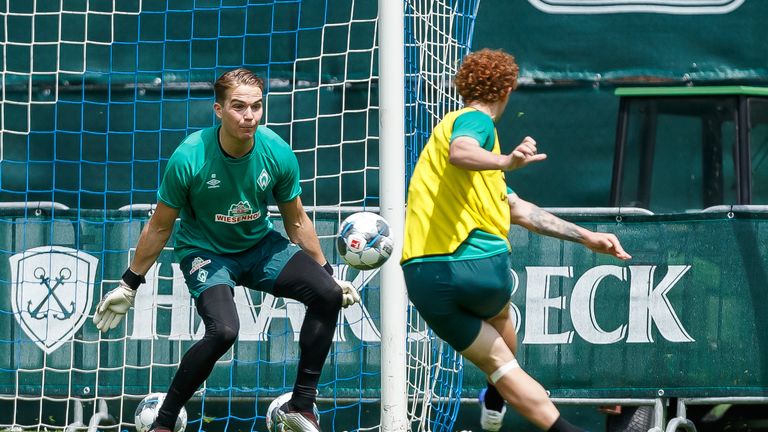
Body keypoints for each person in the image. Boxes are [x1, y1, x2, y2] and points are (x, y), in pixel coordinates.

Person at [92, 68, 360, 432]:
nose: (249, 116)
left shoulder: (277, 152)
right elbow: (159, 226)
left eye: (256, 107)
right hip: (206, 251)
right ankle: (164, 422)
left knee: (327, 295)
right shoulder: (189, 156)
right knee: (224, 331)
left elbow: (296, 221)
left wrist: (328, 274)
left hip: (259, 246)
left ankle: (300, 406)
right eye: (238, 107)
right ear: (218, 110)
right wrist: (129, 284)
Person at [401, 49, 632, 432]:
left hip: (425, 277)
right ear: (508, 88)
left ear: (463, 86)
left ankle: (501, 396)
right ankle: (496, 394)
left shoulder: (463, 153)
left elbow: (520, 211)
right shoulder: (473, 122)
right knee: (502, 326)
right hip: (479, 264)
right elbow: (463, 151)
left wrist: (587, 237)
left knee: (502, 364)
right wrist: (509, 160)